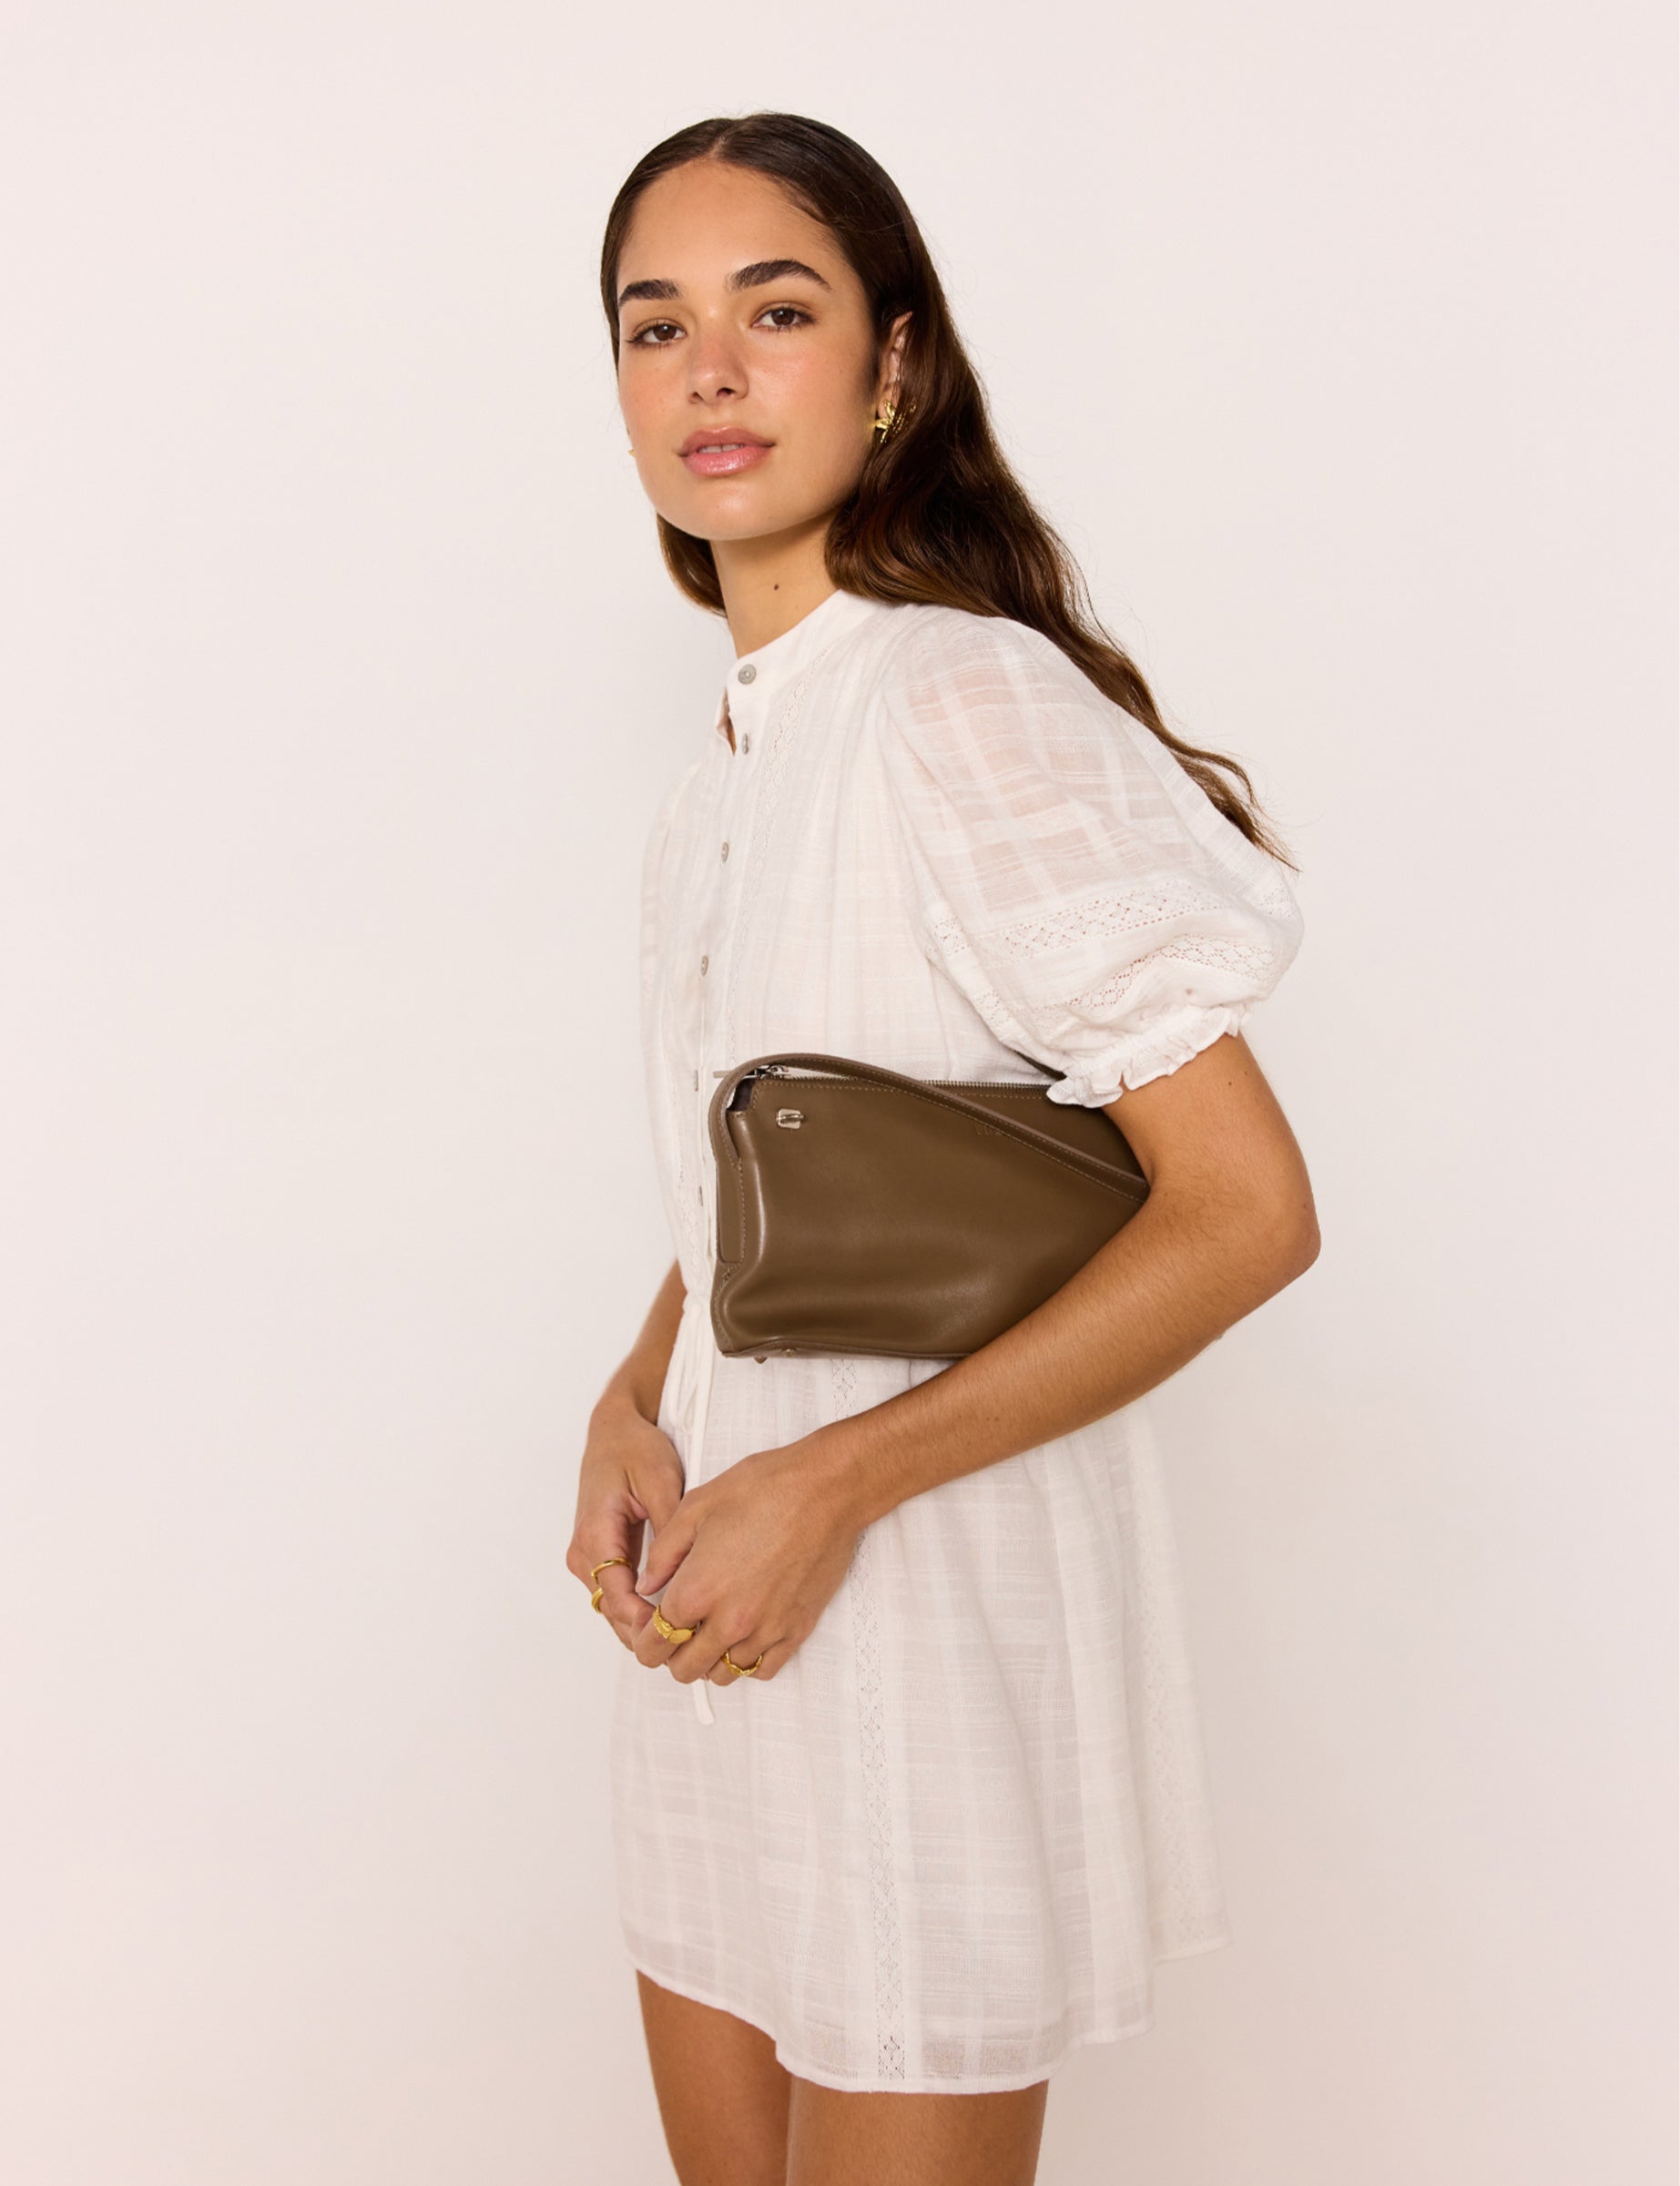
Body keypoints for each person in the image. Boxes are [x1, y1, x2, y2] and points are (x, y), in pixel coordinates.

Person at [569, 110, 1319, 2186]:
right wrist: (636, 1395)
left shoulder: (950, 704)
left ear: (892, 367)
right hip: (715, 1602)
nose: (708, 371)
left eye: (774, 310)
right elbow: (781, 1158)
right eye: (656, 325)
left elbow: (1247, 1212)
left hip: (908, 1617)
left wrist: (830, 1480)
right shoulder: (731, 751)